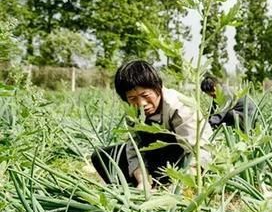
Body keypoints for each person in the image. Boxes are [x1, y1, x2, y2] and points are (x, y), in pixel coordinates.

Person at [91, 60, 213, 188]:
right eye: (132, 98)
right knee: (101, 156)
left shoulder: (179, 107)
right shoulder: (133, 111)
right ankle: (135, 190)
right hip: (155, 158)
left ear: (157, 88)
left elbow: (199, 152)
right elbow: (134, 150)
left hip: (180, 161)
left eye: (145, 95)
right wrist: (142, 180)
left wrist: (182, 184)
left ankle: (166, 185)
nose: (141, 103)